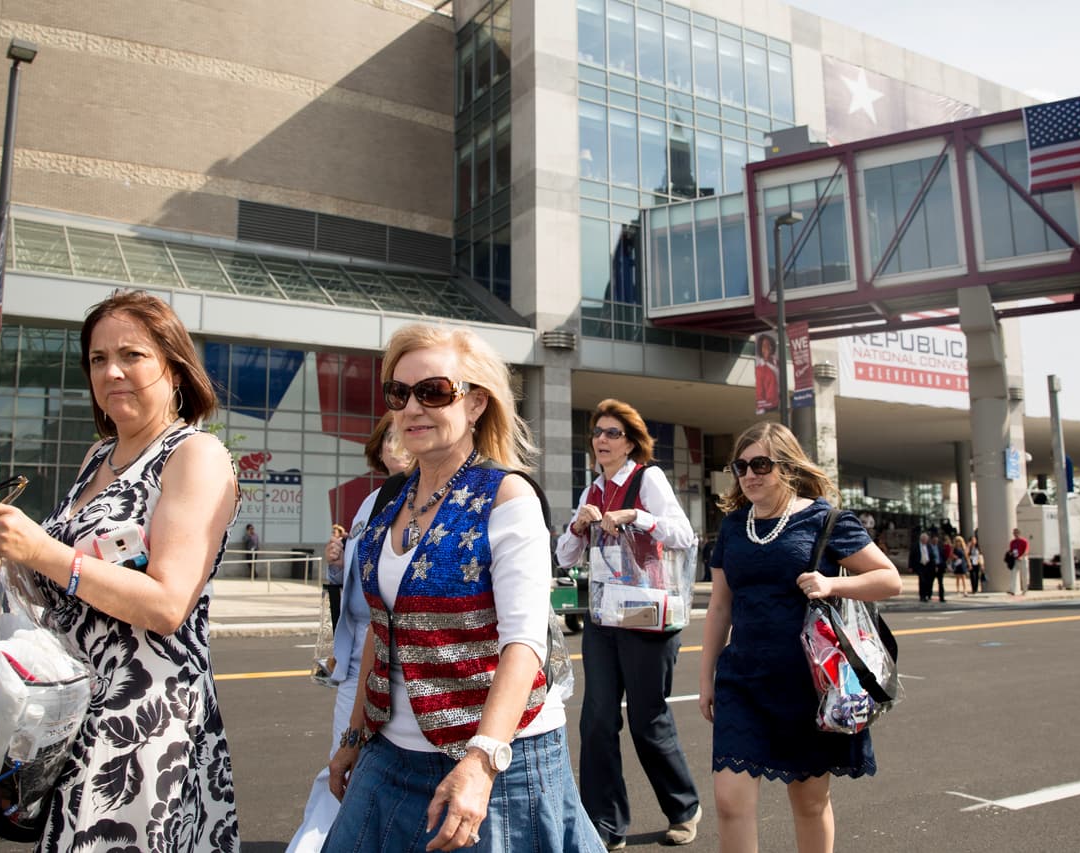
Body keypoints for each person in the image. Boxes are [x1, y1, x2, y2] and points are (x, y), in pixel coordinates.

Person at [0, 289, 239, 849]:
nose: (112, 372)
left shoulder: (195, 455)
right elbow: (64, 584)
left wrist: (39, 550)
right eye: (99, 360)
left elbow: (165, 605)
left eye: (132, 355)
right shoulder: (96, 458)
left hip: (139, 724)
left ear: (175, 368)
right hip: (64, 717)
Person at [323, 324, 601, 852]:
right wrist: (354, 736)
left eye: (433, 391)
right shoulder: (389, 500)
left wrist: (481, 760)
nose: (412, 408)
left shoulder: (506, 496)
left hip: (496, 762)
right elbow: (381, 631)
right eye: (399, 394)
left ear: (475, 404)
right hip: (389, 752)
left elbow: (524, 643)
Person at [699, 422, 901, 853]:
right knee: (729, 801)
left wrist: (833, 585)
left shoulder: (823, 519)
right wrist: (706, 680)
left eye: (761, 464)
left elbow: (889, 579)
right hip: (743, 678)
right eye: (741, 466)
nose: (749, 474)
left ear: (786, 467)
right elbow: (719, 608)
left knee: (809, 801)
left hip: (808, 683)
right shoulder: (734, 528)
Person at [555, 399, 702, 849]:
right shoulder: (590, 490)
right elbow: (564, 556)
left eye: (612, 433)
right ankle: (604, 825)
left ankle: (684, 808)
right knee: (596, 721)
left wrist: (636, 516)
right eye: (597, 432)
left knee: (646, 719)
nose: (601, 439)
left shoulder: (647, 478)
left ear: (631, 441)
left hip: (646, 614)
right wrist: (579, 527)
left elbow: (684, 534)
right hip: (603, 617)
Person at [286, 414, 411, 853]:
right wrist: (337, 563)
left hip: (403, 651)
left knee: (393, 763)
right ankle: (318, 841)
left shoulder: (432, 498)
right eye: (390, 438)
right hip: (359, 649)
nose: (398, 444)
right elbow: (353, 584)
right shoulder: (371, 501)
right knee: (344, 757)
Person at [324, 523, 348, 631]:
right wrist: (337, 568)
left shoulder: (346, 542)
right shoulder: (334, 545)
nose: (332, 534)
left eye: (334, 532)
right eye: (331, 532)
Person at [909, 531, 937, 603]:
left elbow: (932, 555)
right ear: (921, 539)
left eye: (926, 539)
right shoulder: (916, 546)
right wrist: (910, 566)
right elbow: (911, 556)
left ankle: (928, 594)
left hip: (928, 565)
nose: (925, 541)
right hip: (920, 565)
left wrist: (934, 564)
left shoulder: (928, 546)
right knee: (922, 581)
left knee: (928, 581)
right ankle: (922, 596)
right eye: (924, 539)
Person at [754, 333, 779, 415]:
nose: (769, 348)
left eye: (770, 345)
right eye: (765, 345)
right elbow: (759, 391)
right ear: (761, 349)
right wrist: (761, 408)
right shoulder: (759, 369)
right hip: (771, 406)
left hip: (783, 401)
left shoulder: (779, 363)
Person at [1006, 527, 1030, 595]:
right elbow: (1011, 550)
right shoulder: (1012, 542)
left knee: (1024, 575)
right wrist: (1010, 554)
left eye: (1016, 533)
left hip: (1023, 559)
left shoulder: (1024, 541)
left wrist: (1021, 556)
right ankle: (1012, 590)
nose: (1015, 535)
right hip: (1015, 560)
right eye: (1014, 533)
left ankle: (1025, 590)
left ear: (1019, 533)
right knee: (1013, 574)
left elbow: (1026, 551)